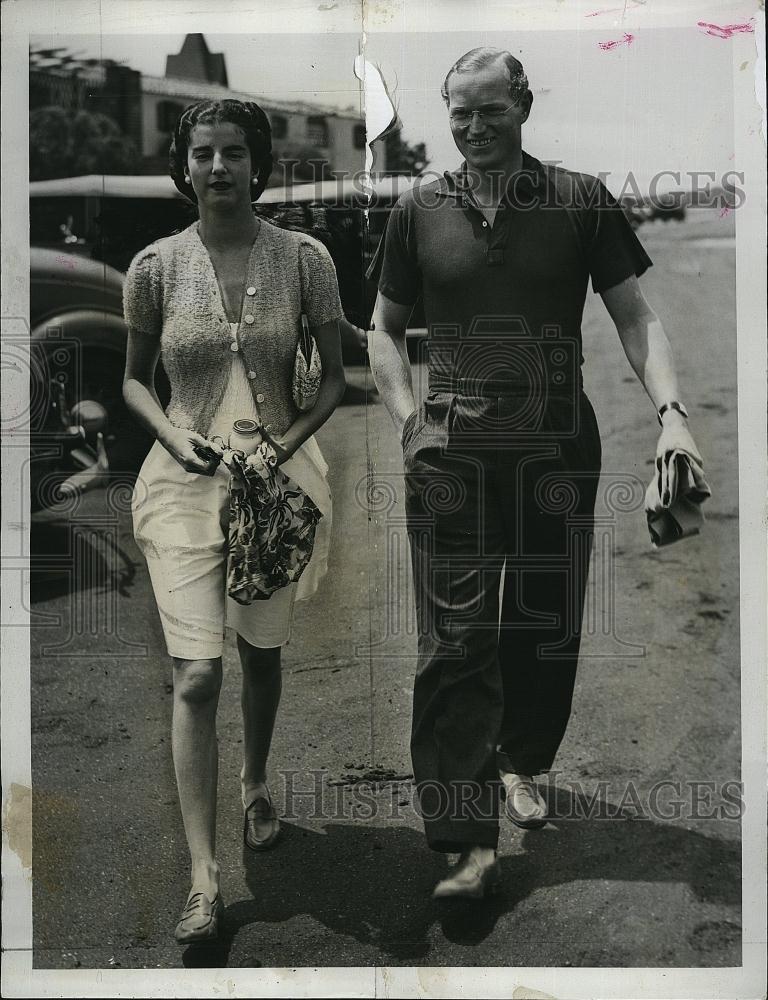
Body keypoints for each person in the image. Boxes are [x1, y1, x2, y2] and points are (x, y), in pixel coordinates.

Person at [367, 47, 704, 899]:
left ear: (524, 107)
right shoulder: (419, 210)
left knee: (543, 621)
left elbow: (635, 315)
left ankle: (526, 759)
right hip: (452, 454)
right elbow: (382, 330)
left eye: (491, 111)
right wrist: (412, 422)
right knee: (455, 639)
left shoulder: (580, 200)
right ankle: (463, 838)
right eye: (460, 113)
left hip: (558, 447)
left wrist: (672, 416)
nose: (474, 129)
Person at [122, 99, 346, 942]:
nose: (218, 168)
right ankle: (205, 878)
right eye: (203, 154)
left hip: (277, 490)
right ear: (185, 165)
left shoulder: (306, 259)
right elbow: (134, 381)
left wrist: (285, 444)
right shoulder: (152, 265)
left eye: (233, 154)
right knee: (198, 674)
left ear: (258, 163)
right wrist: (177, 439)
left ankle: (254, 783)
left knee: (260, 650)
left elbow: (332, 381)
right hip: (180, 487)